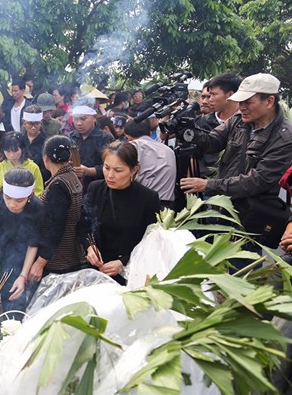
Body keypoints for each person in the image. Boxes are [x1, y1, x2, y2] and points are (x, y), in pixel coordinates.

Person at [180, 73, 292, 247]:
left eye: (248, 102)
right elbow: (213, 142)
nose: (242, 107)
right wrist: (190, 132)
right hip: (221, 209)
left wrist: (208, 185)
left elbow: (257, 180)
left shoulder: (285, 138)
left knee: (238, 269)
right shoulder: (239, 120)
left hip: (247, 219)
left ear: (269, 101)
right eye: (240, 102)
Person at [81, 141, 160, 285]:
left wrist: (124, 261)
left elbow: (151, 241)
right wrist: (89, 247)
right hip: (96, 270)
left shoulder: (148, 198)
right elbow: (83, 223)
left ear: (134, 170)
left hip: (130, 273)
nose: (110, 175)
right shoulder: (95, 188)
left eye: (118, 170)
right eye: (106, 168)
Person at [0, 168, 44, 316]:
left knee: (25, 301)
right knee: (8, 295)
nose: (12, 204)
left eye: (19, 200)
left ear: (30, 195)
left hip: (26, 254)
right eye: (7, 198)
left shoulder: (37, 208)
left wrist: (23, 276)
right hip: (1, 250)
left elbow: (34, 242)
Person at [28, 136, 84, 289]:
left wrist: (40, 262)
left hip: (58, 260)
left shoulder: (58, 186)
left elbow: (55, 227)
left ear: (45, 158)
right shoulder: (72, 177)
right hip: (71, 253)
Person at [124, 118, 176, 208]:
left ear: (128, 136)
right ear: (150, 133)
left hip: (142, 204)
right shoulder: (168, 150)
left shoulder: (131, 147)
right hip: (168, 206)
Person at [67, 105, 113, 189]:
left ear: (94, 117)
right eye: (76, 119)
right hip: (74, 186)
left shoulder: (105, 139)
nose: (79, 123)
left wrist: (90, 171)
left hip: (99, 187)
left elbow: (112, 165)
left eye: (83, 118)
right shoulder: (69, 138)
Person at [0, 131, 43, 198]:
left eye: (15, 150)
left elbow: (38, 192)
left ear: (22, 149)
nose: (12, 155)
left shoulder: (33, 167)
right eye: (7, 151)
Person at [20, 105, 50, 182]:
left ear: (41, 122)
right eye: (30, 124)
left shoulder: (47, 142)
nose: (33, 127)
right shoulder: (19, 140)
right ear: (24, 122)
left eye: (36, 124)